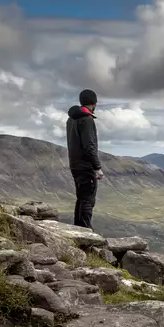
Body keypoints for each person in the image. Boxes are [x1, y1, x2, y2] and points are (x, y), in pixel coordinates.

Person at [67, 89, 104, 229]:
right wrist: (97, 167)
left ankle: (79, 228)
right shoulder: (86, 120)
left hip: (75, 164)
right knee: (88, 199)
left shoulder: (71, 119)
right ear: (94, 103)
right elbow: (89, 146)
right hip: (85, 166)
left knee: (81, 198)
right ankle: (85, 231)